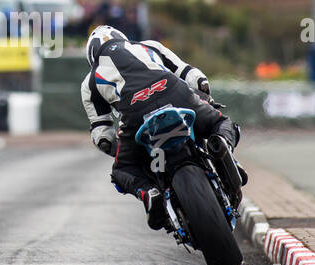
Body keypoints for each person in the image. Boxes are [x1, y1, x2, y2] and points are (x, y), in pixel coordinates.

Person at [80, 24, 244, 229]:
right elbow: (194, 76)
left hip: (135, 115)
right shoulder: (148, 46)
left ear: (92, 56)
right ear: (122, 38)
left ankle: (149, 192)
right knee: (220, 123)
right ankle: (220, 146)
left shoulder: (89, 82)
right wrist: (207, 99)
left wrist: (120, 151)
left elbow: (102, 135)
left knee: (122, 170)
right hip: (176, 94)